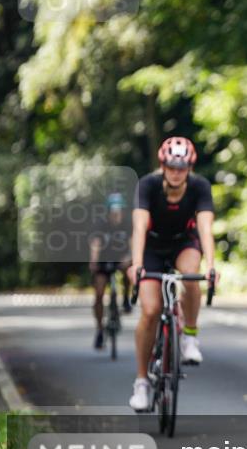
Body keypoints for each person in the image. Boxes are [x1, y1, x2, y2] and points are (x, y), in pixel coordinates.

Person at [127, 136, 218, 411]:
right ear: (163, 166)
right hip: (153, 245)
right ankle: (142, 382)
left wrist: (211, 265)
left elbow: (205, 229)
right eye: (171, 167)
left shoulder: (200, 186)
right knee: (151, 310)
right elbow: (140, 227)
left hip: (183, 241)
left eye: (182, 167)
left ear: (190, 168)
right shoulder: (148, 185)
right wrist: (137, 264)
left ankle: (189, 335)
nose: (177, 172)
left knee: (191, 273)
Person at [88, 192, 132, 350]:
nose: (116, 215)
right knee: (99, 294)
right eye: (113, 212)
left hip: (121, 258)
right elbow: (95, 243)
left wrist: (129, 257)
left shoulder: (127, 223)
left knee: (130, 269)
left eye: (119, 211)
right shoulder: (100, 223)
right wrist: (94, 261)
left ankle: (126, 298)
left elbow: (132, 243)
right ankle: (100, 330)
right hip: (103, 259)